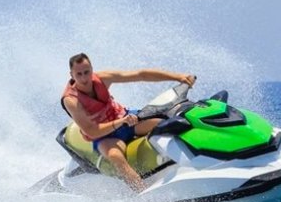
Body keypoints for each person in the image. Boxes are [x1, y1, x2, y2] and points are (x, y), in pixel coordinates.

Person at [61, 52, 195, 191]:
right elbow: (91, 131)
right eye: (79, 74)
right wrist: (120, 122)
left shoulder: (103, 78)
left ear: (92, 69)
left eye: (86, 72)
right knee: (116, 157)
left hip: (127, 120)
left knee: (168, 124)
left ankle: (194, 159)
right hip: (105, 136)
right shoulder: (71, 100)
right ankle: (142, 194)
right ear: (72, 75)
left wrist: (178, 77)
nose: (84, 78)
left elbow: (140, 74)